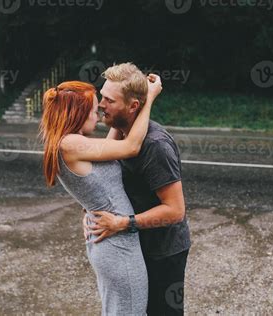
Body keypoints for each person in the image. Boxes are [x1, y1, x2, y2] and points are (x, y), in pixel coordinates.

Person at [39, 75, 163, 315]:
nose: (98, 116)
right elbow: (131, 147)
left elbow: (109, 153)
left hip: (110, 241)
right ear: (77, 113)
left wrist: (126, 107)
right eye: (94, 111)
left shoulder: (70, 142)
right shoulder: (71, 144)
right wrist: (148, 99)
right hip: (118, 246)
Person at [84, 62, 191, 315]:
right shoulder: (121, 134)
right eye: (102, 97)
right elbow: (102, 171)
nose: (100, 105)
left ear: (133, 107)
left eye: (109, 100)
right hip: (135, 244)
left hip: (163, 252)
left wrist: (123, 224)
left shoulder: (155, 146)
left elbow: (175, 211)